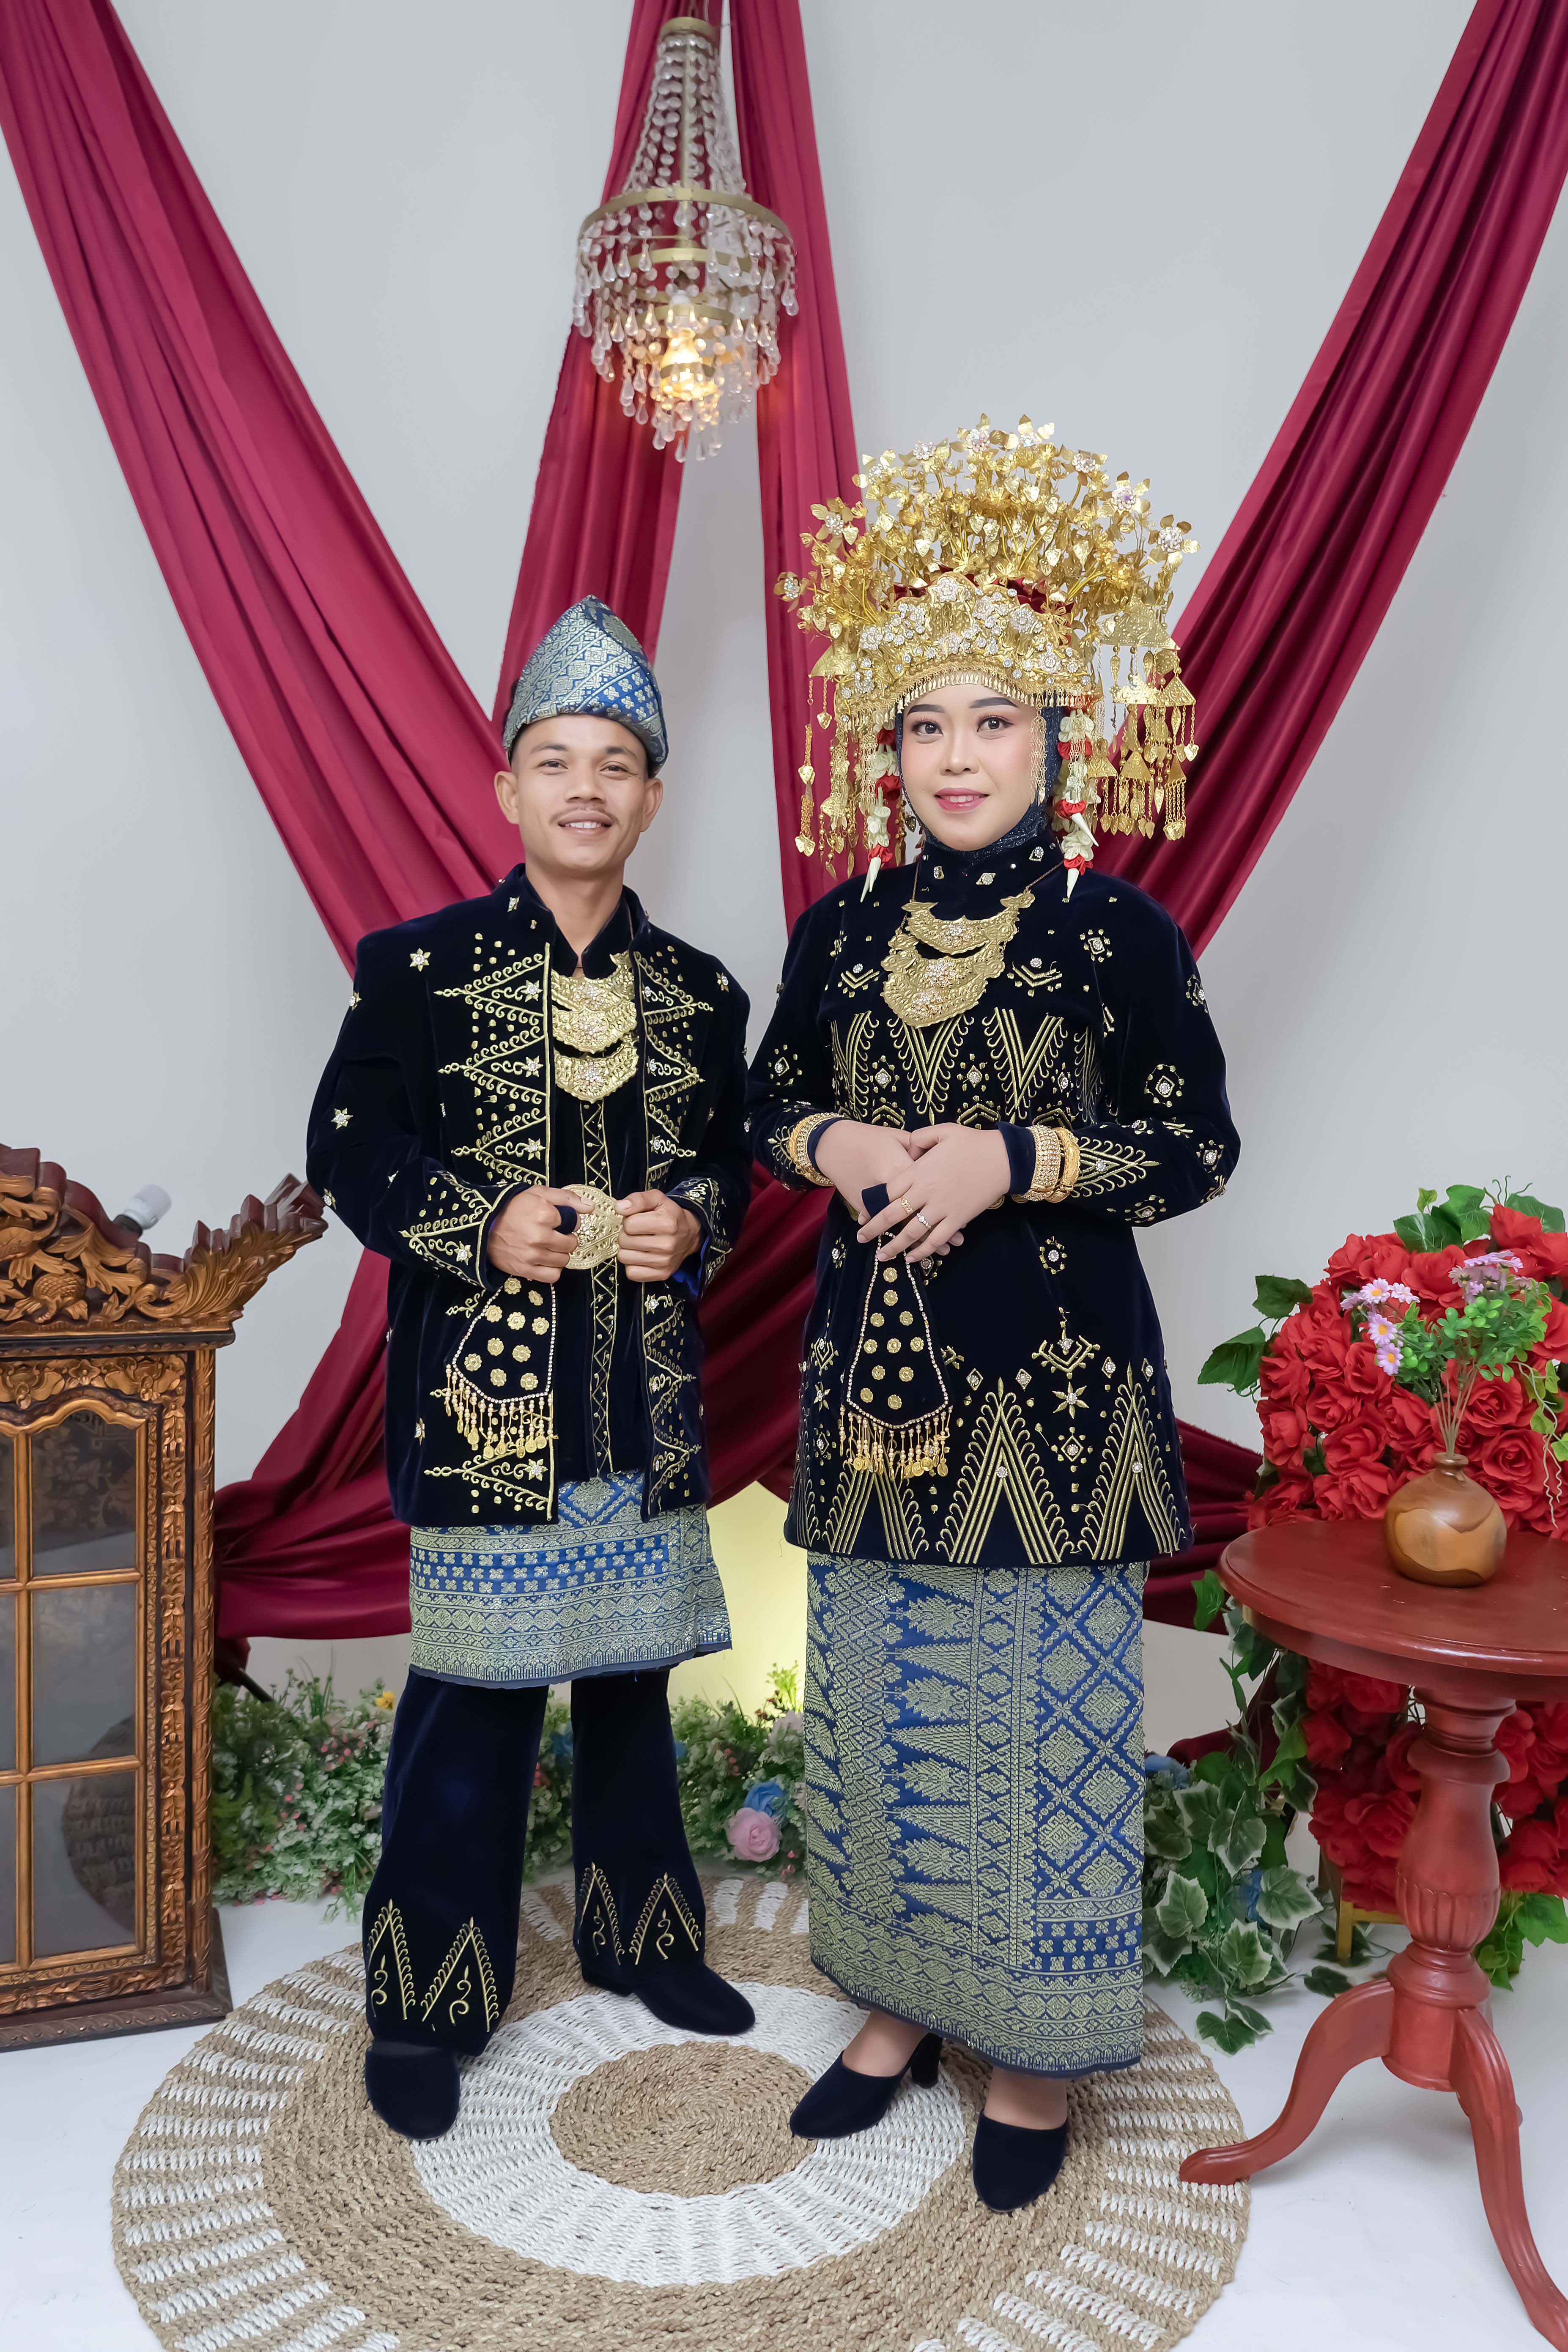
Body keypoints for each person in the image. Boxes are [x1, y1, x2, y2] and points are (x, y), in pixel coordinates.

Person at [748, 419, 1240, 2212]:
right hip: (873, 1383)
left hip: (1056, 1389)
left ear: (1054, 739)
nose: (956, 758)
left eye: (993, 722)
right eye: (924, 727)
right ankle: (896, 2005)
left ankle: (1032, 2047)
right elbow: (766, 1101)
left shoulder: (1120, 931)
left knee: (1043, 1708)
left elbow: (1197, 1145)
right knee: (878, 1697)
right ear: (885, 751)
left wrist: (1014, 1156)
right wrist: (841, 1141)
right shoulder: (837, 929)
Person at [307, 595, 754, 2141]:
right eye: (555, 761)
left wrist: (690, 1219)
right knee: (472, 1704)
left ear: (651, 796)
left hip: (641, 1397)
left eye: (614, 763)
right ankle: (427, 1999)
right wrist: (478, 1219)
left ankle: (647, 1943)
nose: (584, 787)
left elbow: (729, 1165)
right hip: (479, 1403)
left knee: (631, 1689)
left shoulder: (701, 992)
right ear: (507, 788)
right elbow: (348, 1146)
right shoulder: (414, 968)